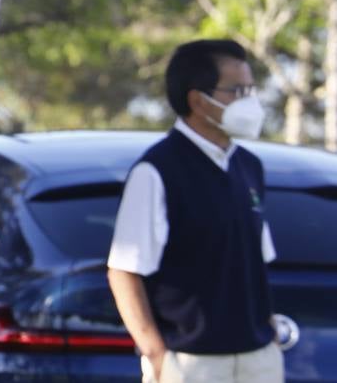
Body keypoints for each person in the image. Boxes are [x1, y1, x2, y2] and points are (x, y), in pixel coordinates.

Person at [107, 39, 283, 383]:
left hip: (257, 358)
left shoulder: (249, 167)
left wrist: (270, 334)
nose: (249, 100)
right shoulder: (157, 170)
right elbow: (123, 271)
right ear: (198, 100)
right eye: (237, 90)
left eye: (251, 89)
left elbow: (256, 262)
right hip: (190, 362)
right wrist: (156, 354)